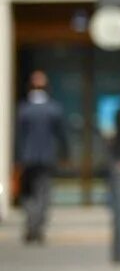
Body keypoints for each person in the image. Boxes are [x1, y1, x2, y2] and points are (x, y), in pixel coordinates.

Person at [15, 70, 67, 244]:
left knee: (28, 194)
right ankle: (37, 227)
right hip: (46, 157)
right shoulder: (54, 109)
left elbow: (18, 136)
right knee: (43, 194)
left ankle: (31, 225)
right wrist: (64, 153)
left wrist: (17, 157)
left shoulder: (24, 109)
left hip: (28, 157)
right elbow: (61, 135)